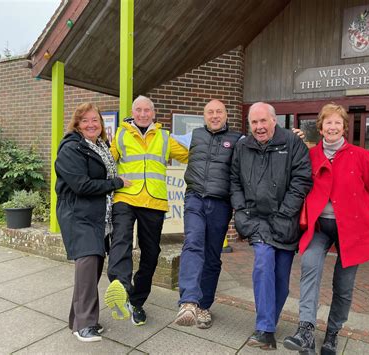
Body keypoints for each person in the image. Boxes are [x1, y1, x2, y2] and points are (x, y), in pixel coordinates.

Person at [283, 103, 369, 355]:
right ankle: (306, 330)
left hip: (350, 228)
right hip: (319, 226)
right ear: (320, 127)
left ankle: (332, 333)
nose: (332, 127)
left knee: (344, 283)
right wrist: (291, 139)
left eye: (337, 123)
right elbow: (288, 167)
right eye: (327, 122)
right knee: (309, 267)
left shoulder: (360, 155)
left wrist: (365, 215)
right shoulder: (310, 155)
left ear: (344, 128)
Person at [230, 102, 312, 350]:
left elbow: (302, 180)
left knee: (280, 281)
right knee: (263, 265)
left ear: (274, 121)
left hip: (285, 221)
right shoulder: (242, 146)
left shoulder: (292, 142)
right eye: (254, 122)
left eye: (263, 121)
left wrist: (285, 213)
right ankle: (265, 329)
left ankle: (268, 325)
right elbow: (234, 181)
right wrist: (242, 214)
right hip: (257, 221)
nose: (259, 127)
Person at [104, 95, 188, 326]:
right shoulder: (121, 134)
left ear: (153, 113)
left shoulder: (164, 137)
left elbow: (189, 154)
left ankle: (137, 301)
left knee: (151, 253)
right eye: (138, 110)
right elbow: (106, 161)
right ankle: (120, 285)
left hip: (154, 200)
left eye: (147, 110)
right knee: (120, 239)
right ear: (133, 112)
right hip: (126, 196)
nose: (142, 114)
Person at [55, 103, 131, 342]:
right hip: (79, 215)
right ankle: (85, 324)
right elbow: (82, 185)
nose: (91, 124)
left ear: (101, 124)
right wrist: (116, 183)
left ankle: (77, 320)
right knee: (87, 265)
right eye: (85, 121)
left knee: (91, 269)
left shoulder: (101, 146)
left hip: (98, 216)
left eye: (95, 120)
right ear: (77, 124)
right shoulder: (71, 148)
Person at [174, 99, 243, 329]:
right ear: (204, 116)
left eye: (219, 112)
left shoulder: (238, 140)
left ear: (226, 114)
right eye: (210, 112)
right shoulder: (192, 136)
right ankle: (188, 302)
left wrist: (292, 138)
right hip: (195, 198)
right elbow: (161, 140)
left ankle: (204, 306)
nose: (214, 116)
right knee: (192, 243)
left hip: (221, 204)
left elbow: (264, 144)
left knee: (212, 256)